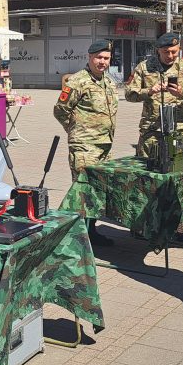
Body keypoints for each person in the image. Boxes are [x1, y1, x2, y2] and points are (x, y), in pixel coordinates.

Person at [54, 40, 118, 246]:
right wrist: (75, 130)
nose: (102, 62)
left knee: (97, 191)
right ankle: (76, 238)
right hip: (84, 146)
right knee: (83, 191)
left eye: (106, 58)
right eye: (98, 57)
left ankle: (91, 232)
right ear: (89, 57)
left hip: (104, 146)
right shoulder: (77, 81)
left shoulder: (108, 82)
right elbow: (60, 110)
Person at [126, 33, 183, 160]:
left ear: (179, 49)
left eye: (174, 52)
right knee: (148, 167)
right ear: (158, 50)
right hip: (152, 130)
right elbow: (129, 94)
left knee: (179, 166)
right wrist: (149, 91)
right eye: (166, 52)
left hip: (181, 129)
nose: (170, 56)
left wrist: (182, 93)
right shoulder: (144, 67)